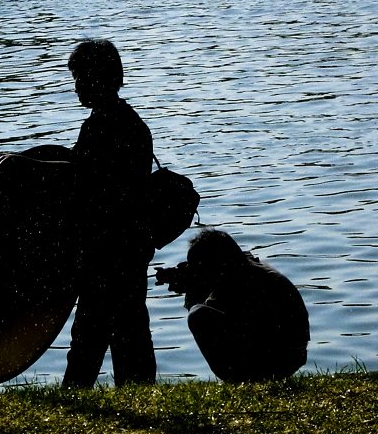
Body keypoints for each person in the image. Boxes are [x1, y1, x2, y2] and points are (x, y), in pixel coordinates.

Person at [62, 39, 156, 388]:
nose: (78, 87)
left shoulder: (103, 127)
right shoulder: (128, 123)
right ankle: (137, 393)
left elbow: (85, 186)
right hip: (129, 246)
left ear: (104, 78)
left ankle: (76, 397)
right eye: (76, 79)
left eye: (83, 78)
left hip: (108, 248)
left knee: (93, 332)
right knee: (128, 329)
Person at [156, 228, 310, 383]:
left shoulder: (236, 279)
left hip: (279, 358)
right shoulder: (247, 266)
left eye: (199, 266)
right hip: (290, 354)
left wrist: (192, 293)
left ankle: (239, 380)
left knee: (197, 316)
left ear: (214, 262)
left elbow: (206, 315)